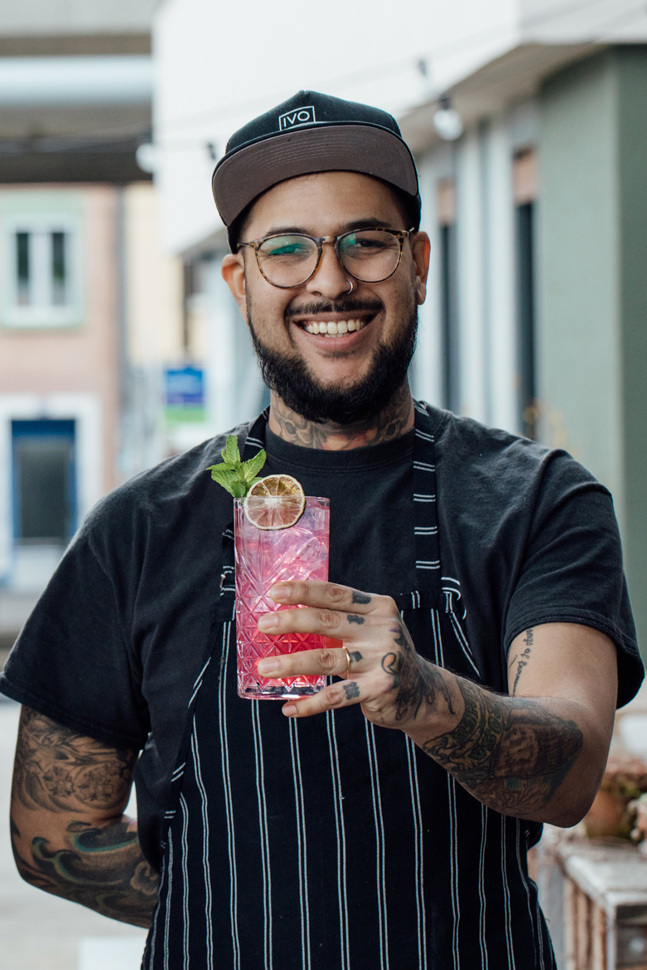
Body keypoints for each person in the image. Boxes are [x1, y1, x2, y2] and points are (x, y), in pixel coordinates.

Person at [2, 90, 643, 970]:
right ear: (239, 282)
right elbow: (50, 833)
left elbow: (570, 776)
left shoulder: (534, 500)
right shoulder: (142, 529)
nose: (329, 279)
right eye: (286, 249)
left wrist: (422, 693)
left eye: (364, 241)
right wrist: (235, 911)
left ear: (417, 263)